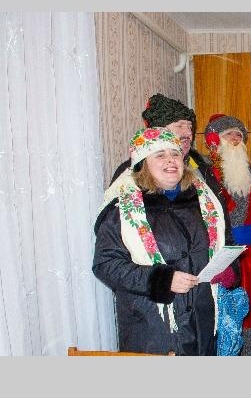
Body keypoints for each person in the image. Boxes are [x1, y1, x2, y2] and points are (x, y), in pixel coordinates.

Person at [93, 127, 228, 355]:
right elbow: (106, 265)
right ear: (143, 163)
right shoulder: (122, 209)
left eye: (175, 153)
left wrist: (226, 269)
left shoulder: (204, 201)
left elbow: (219, 245)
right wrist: (162, 280)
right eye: (160, 155)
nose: (171, 160)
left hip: (201, 321)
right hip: (152, 326)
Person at [106, 93, 238, 288]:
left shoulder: (200, 167)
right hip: (152, 302)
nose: (188, 132)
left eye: (190, 126)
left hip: (203, 294)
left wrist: (230, 268)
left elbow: (222, 225)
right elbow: (110, 259)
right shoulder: (130, 178)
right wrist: (162, 281)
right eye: (180, 126)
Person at [203, 113, 251, 356]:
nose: (235, 139)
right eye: (229, 134)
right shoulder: (204, 174)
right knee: (223, 312)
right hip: (219, 256)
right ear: (215, 140)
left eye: (239, 135)